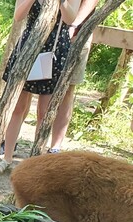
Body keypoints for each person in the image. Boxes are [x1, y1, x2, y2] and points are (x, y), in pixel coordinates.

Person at [0, 0, 80, 173]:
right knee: (18, 108)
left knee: (44, 112)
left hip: (55, 50)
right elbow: (19, 16)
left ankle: (35, 162)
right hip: (28, 46)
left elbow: (71, 19)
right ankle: (7, 157)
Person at [48, 0, 97, 153]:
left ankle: (55, 146)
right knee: (28, 87)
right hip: (45, 28)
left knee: (67, 89)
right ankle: (10, 141)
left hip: (77, 34)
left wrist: (74, 25)